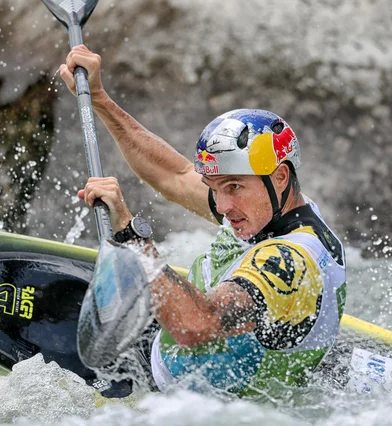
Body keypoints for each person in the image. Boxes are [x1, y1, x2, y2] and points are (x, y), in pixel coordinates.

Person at [59, 45, 347, 396]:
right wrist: (100, 99)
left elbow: (197, 324)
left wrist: (132, 236)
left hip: (173, 401)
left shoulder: (288, 262)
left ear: (281, 177)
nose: (222, 205)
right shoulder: (268, 210)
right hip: (162, 351)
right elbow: (175, 175)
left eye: (234, 186)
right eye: (215, 187)